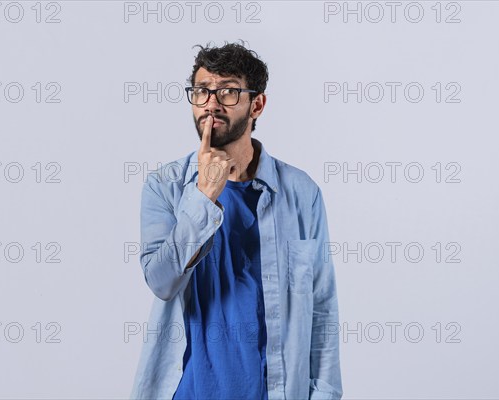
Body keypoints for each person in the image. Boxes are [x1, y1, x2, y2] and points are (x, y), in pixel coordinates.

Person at [130, 41, 343, 400]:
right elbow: (161, 281)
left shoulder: (302, 193)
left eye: (228, 91)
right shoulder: (164, 187)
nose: (211, 103)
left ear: (256, 104)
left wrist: (324, 394)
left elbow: (322, 307)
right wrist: (202, 198)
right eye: (202, 91)